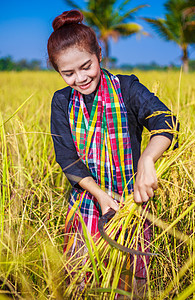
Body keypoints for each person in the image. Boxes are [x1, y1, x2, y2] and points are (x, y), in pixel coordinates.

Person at [48, 9, 178, 297]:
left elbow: (166, 121)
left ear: (99, 55)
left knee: (131, 284)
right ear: (58, 71)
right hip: (87, 206)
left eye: (86, 66)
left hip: (131, 206)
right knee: (82, 282)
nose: (80, 78)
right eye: (68, 73)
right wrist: (100, 195)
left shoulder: (127, 88)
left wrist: (147, 159)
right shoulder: (61, 101)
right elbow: (67, 158)